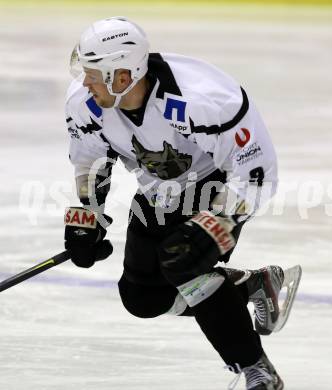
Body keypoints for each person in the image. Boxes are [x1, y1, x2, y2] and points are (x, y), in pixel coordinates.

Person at [63, 16, 294, 389]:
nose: (84, 82)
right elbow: (89, 158)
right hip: (158, 189)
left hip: (218, 184)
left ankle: (257, 369)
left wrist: (220, 221)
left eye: (93, 74)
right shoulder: (86, 101)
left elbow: (256, 171)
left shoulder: (205, 99)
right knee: (141, 298)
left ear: (122, 77)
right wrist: (88, 215)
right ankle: (248, 286)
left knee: (182, 260)